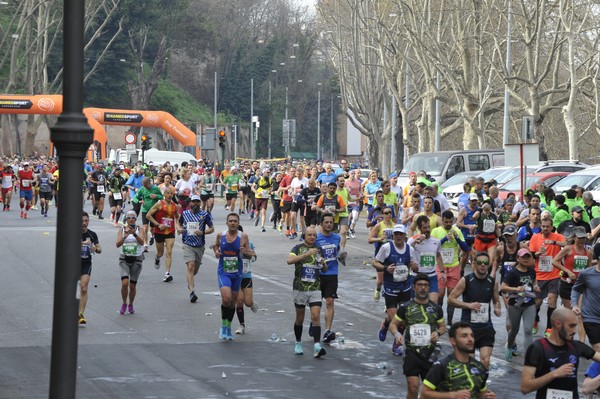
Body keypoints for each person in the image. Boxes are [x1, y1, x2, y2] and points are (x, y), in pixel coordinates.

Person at [521, 307, 600, 399]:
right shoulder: (537, 348)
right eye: (571, 326)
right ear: (558, 324)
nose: (575, 331)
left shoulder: (576, 346)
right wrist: (554, 374)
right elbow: (525, 387)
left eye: (575, 326)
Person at [389, 274, 446, 399]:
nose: (423, 288)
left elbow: (443, 327)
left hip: (430, 353)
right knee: (413, 387)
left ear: (429, 288)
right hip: (412, 352)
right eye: (420, 285)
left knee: (429, 391)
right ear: (414, 287)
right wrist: (397, 334)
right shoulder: (405, 307)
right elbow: (393, 325)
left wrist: (438, 333)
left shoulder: (436, 308)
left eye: (425, 285)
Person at [448, 252, 501, 369]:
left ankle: (481, 386)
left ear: (489, 265)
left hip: (486, 327)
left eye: (486, 263)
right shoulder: (466, 280)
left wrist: (497, 308)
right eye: (480, 262)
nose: (483, 265)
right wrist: (468, 305)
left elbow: (496, 300)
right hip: (468, 327)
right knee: (469, 362)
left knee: (485, 361)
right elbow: (450, 299)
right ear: (474, 264)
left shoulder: (493, 282)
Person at [372, 223, 418, 354]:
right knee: (393, 318)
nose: (398, 236)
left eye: (401, 234)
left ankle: (396, 344)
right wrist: (386, 268)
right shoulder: (386, 247)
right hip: (391, 286)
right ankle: (386, 324)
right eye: (396, 234)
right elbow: (375, 263)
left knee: (403, 317)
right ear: (394, 235)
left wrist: (414, 266)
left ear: (405, 236)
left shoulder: (410, 249)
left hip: (405, 286)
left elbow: (414, 266)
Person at [421, 322, 496, 399]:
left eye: (472, 335)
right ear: (453, 341)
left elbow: (481, 394)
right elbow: (424, 393)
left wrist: (487, 397)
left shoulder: (479, 367)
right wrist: (452, 395)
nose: (470, 339)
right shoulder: (441, 366)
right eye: (464, 336)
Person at [287, 226, 328, 357]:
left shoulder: (319, 249)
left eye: (314, 235)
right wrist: (306, 254)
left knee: (316, 316)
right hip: (300, 287)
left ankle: (317, 345)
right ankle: (298, 343)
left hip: (315, 287)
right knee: (300, 318)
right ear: (304, 235)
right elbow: (289, 260)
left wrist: (323, 263)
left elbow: (324, 269)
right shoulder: (297, 248)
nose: (312, 237)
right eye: (309, 235)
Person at [212, 213, 250, 341]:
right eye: (231, 221)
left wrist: (245, 253)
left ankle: (228, 327)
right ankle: (223, 326)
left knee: (233, 302)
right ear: (227, 223)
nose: (233, 223)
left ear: (238, 223)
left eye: (235, 221)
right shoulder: (220, 235)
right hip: (224, 272)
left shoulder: (243, 236)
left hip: (237, 273)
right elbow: (215, 245)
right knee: (226, 299)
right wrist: (216, 252)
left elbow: (250, 254)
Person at [500, 248, 540, 361]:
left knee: (528, 330)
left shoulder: (532, 270)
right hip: (515, 304)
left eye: (528, 257)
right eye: (523, 257)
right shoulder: (512, 273)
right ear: (518, 258)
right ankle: (509, 346)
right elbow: (502, 288)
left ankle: (529, 357)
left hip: (529, 304)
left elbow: (534, 281)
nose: (526, 259)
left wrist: (536, 287)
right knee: (514, 330)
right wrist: (516, 288)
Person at [529, 216, 565, 337]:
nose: (545, 229)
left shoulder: (557, 236)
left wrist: (554, 242)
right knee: (537, 303)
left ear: (552, 227)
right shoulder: (535, 237)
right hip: (539, 275)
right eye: (543, 226)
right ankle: (535, 320)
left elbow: (568, 243)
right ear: (540, 226)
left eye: (547, 226)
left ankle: (549, 328)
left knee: (552, 300)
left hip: (554, 274)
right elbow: (530, 254)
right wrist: (537, 254)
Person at [430, 210, 469, 324]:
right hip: (440, 266)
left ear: (453, 221)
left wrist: (456, 238)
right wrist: (444, 239)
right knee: (440, 294)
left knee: (452, 296)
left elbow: (466, 249)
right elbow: (432, 247)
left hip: (453, 266)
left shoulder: (456, 230)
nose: (448, 224)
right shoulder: (436, 231)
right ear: (442, 220)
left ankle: (449, 322)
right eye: (446, 222)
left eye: (450, 222)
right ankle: (439, 318)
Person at [177, 195, 214, 303]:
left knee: (194, 270)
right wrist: (180, 229)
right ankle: (192, 291)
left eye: (198, 202)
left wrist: (202, 232)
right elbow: (179, 223)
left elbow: (212, 229)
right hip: (187, 244)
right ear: (190, 203)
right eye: (194, 202)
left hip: (199, 246)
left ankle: (190, 280)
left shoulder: (204, 215)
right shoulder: (185, 213)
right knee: (190, 266)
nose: (196, 204)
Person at [315, 213, 342, 344]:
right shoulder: (316, 238)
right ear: (321, 224)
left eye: (331, 222)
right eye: (326, 222)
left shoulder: (337, 238)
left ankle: (327, 331)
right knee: (316, 304)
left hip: (332, 273)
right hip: (318, 274)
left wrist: (342, 256)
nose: (329, 224)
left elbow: (338, 252)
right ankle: (314, 324)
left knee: (330, 301)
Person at [407, 215, 444, 303]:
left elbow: (438, 255)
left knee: (434, 301)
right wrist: (415, 242)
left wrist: (442, 271)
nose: (427, 230)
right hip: (417, 276)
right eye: (425, 228)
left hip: (431, 276)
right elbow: (406, 252)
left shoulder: (436, 241)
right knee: (415, 303)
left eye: (428, 227)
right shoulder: (412, 240)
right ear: (419, 228)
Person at [571, 242, 600, 352]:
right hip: (591, 317)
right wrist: (574, 304)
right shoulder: (586, 274)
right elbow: (576, 289)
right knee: (598, 349)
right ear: (597, 258)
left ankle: (591, 370)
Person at [146, 187, 179, 283]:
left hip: (170, 232)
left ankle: (167, 273)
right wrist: (158, 224)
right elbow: (148, 215)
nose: (169, 195)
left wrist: (178, 226)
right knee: (160, 253)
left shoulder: (174, 206)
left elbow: (177, 217)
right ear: (164, 194)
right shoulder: (159, 203)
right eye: (168, 193)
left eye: (171, 194)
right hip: (159, 231)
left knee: (169, 252)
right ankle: (157, 258)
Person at [116, 210, 145, 315]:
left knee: (132, 286)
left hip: (137, 259)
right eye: (129, 218)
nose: (131, 219)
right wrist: (125, 236)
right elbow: (117, 244)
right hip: (124, 259)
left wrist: (135, 235)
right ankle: (124, 303)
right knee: (125, 283)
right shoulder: (122, 230)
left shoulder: (140, 229)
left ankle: (130, 304)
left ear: (135, 219)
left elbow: (142, 242)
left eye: (133, 218)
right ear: (126, 219)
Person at [234, 225, 258, 334]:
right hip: (234, 276)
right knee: (239, 301)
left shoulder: (249, 243)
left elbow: (254, 257)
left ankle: (251, 303)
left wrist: (246, 253)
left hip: (246, 275)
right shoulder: (230, 244)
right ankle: (241, 325)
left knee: (247, 302)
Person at [79, 212, 102, 325]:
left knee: (83, 288)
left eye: (86, 221)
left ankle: (81, 314)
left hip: (86, 263)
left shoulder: (92, 234)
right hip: (72, 264)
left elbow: (99, 249)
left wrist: (94, 248)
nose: (84, 223)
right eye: (82, 221)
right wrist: (83, 244)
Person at [135, 177, 164, 251]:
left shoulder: (156, 188)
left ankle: (152, 235)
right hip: (145, 210)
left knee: (152, 229)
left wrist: (156, 196)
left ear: (149, 183)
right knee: (145, 227)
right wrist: (139, 201)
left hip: (154, 211)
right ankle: (145, 244)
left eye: (146, 185)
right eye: (143, 185)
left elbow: (162, 197)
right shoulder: (142, 189)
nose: (145, 187)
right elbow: (136, 197)